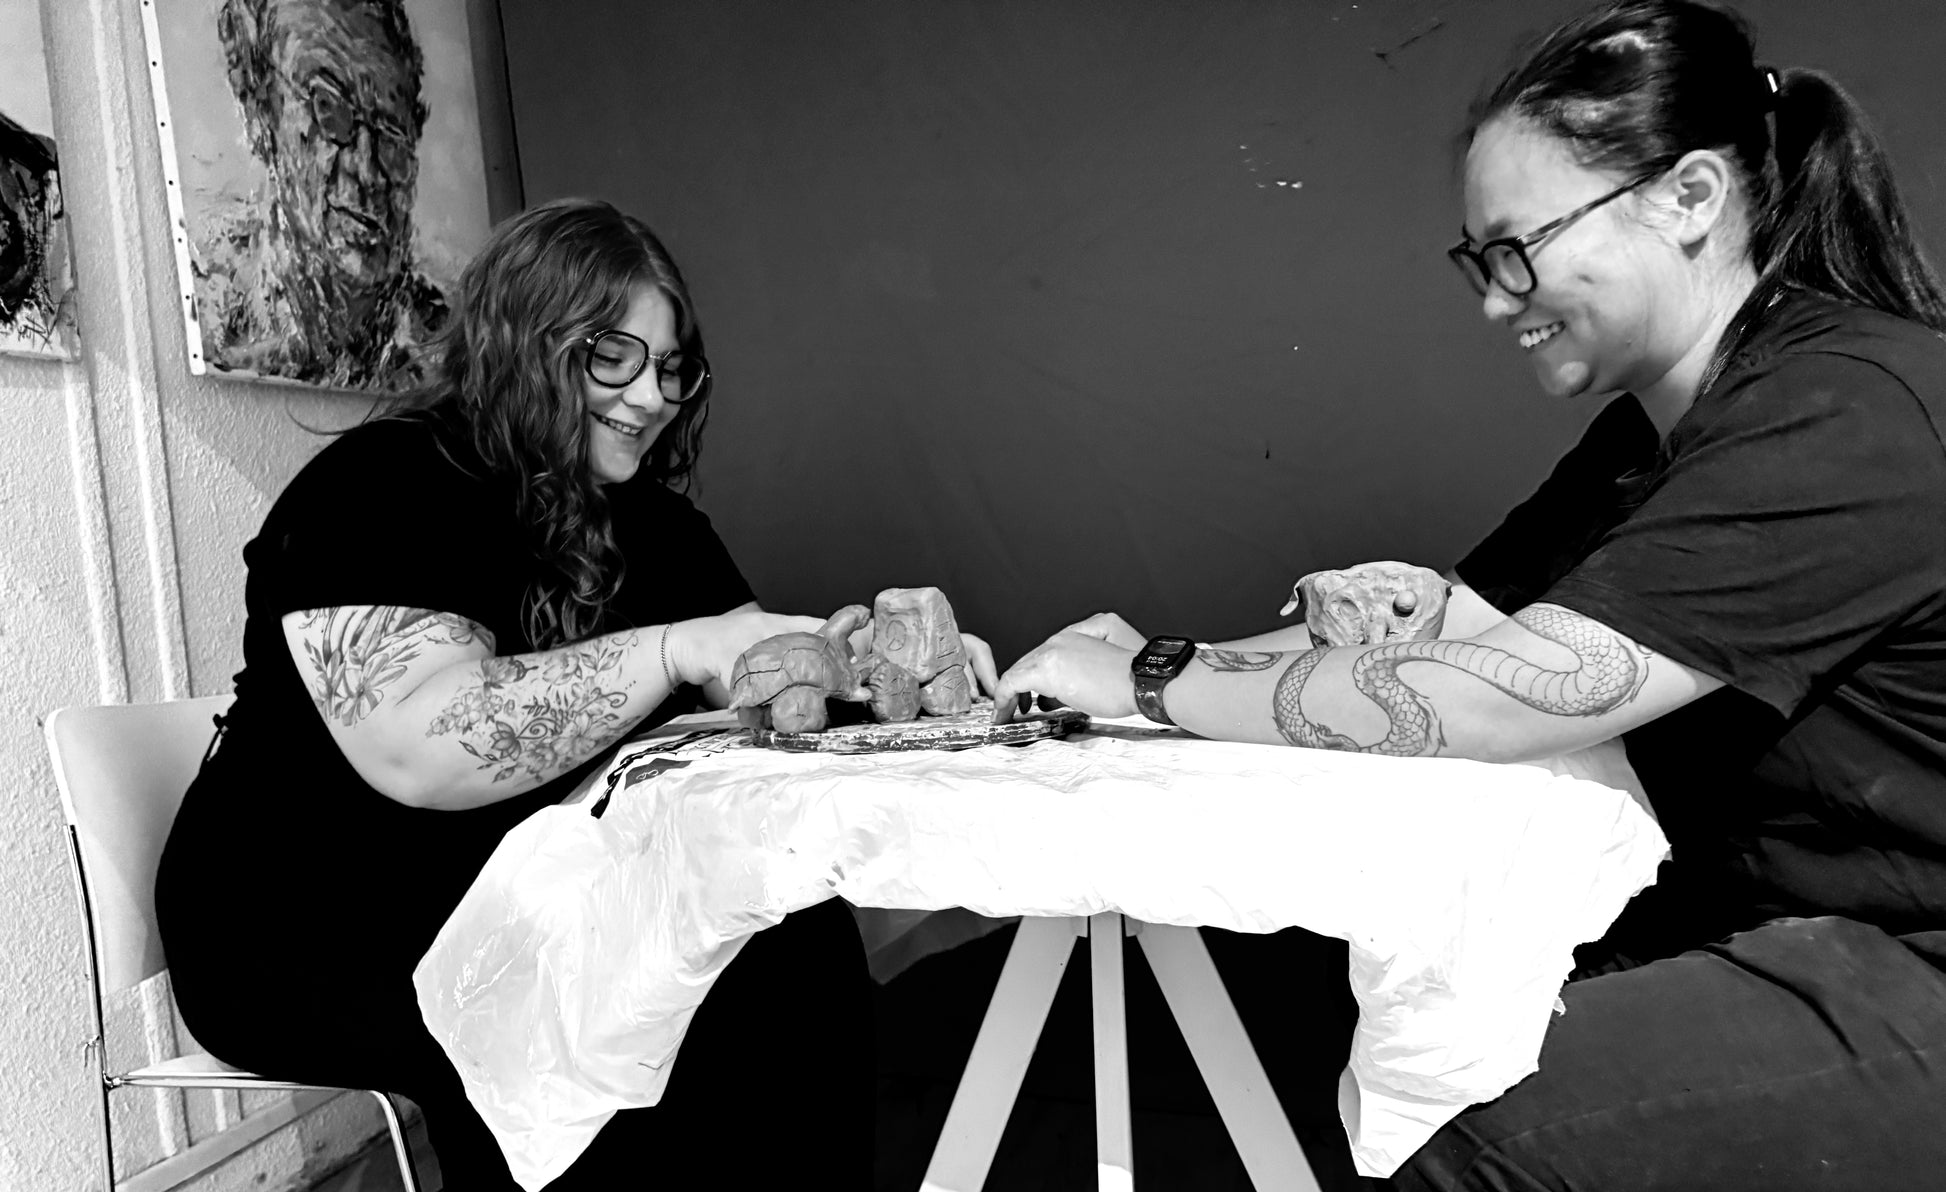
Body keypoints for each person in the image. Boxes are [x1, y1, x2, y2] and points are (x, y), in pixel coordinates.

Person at [994, 1, 1946, 1187]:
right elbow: (1450, 625)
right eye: (1477, 262)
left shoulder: (1845, 410)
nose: (1495, 301)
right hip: (1775, 929)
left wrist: (1149, 678)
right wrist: (1126, 661)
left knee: (1464, 1129)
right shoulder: (1646, 436)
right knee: (1350, 1021)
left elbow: (1501, 693)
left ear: (1688, 196)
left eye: (1515, 248)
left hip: (1911, 963)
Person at [157, 198, 989, 1188]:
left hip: (531, 888)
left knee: (787, 950)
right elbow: (422, 746)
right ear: (524, 340)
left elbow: (757, 680)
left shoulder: (657, 525)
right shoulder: (378, 487)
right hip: (310, 914)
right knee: (603, 1010)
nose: (652, 396)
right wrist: (676, 647)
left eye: (670, 366)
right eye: (614, 357)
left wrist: (880, 662)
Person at [200, 0, 448, 389]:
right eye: (327, 107)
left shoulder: (449, 344)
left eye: (392, 133)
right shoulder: (213, 305)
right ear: (260, 113)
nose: (367, 170)